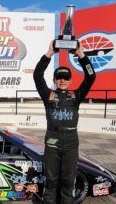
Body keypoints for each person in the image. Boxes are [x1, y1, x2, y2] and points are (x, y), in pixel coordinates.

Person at [33, 40, 96, 204]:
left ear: (70, 80)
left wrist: (81, 55)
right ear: (54, 79)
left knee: (69, 181)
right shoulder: (48, 95)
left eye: (65, 78)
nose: (62, 81)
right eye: (59, 78)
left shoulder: (76, 95)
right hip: (52, 140)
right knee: (51, 181)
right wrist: (49, 54)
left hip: (71, 141)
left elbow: (91, 76)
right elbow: (37, 75)